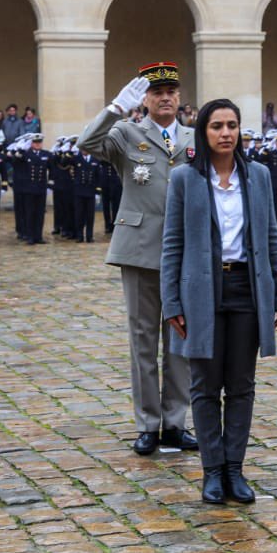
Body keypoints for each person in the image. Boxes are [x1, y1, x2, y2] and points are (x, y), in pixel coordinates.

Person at [160, 98, 277, 505]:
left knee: (241, 385)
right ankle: (212, 471)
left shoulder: (259, 176)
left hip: (247, 291)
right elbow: (172, 244)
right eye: (217, 125)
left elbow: (271, 235)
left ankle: (235, 469)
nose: (226, 133)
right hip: (201, 292)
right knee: (204, 384)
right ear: (204, 132)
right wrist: (171, 303)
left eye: (232, 125)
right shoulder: (183, 179)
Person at [79, 62, 198, 456]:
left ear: (180, 97)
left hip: (185, 251)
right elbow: (87, 143)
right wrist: (115, 109)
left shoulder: (193, 137)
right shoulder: (127, 133)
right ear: (144, 99)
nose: (165, 97)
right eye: (156, 92)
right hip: (140, 249)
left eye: (171, 91)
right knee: (143, 341)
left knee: (180, 341)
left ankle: (175, 423)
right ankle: (148, 423)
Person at [7, 134, 51, 244]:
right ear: (31, 144)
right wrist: (20, 151)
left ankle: (38, 236)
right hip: (29, 188)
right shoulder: (26, 154)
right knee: (29, 213)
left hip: (41, 188)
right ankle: (30, 236)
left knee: (40, 213)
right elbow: (14, 162)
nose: (37, 144)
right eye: (35, 142)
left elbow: (54, 167)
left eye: (39, 142)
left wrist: (51, 182)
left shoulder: (46, 154)